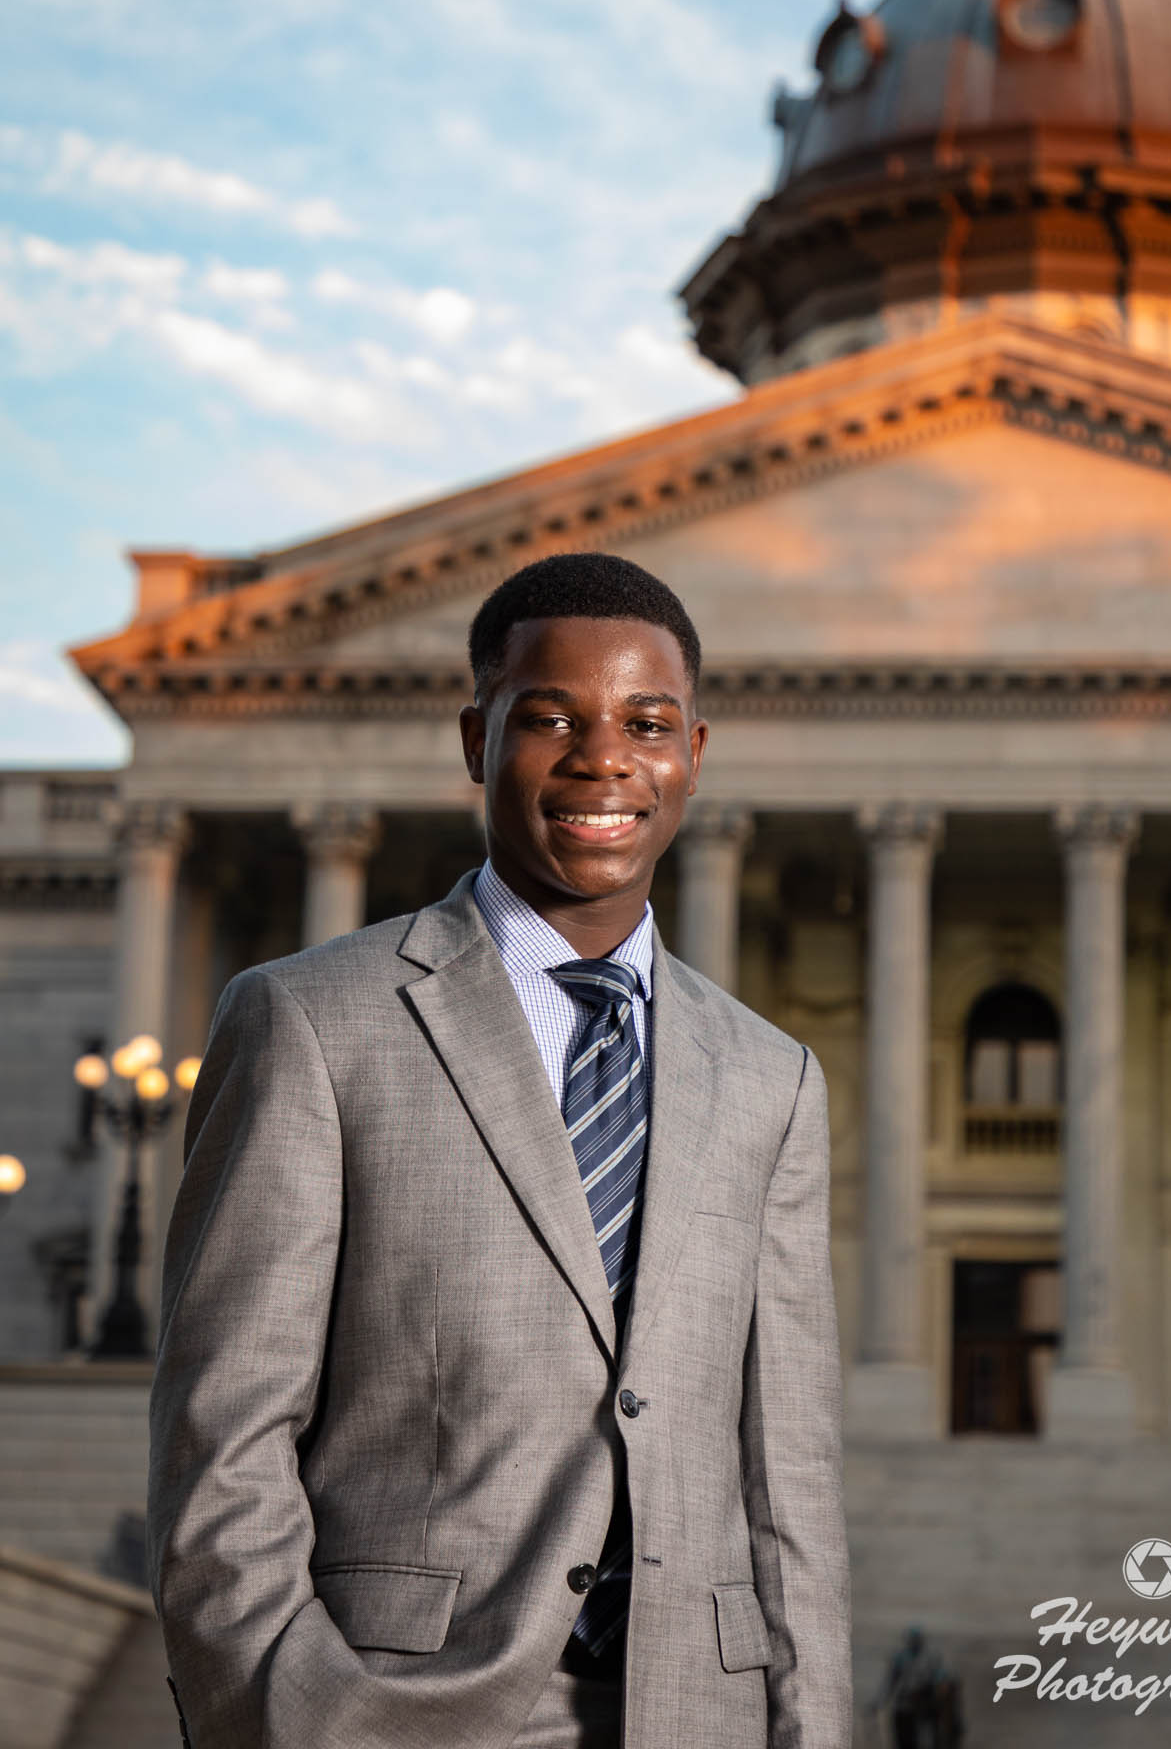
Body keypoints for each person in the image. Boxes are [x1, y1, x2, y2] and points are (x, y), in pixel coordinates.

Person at [148, 551, 851, 1749]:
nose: (603, 758)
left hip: (693, 1709)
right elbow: (223, 1427)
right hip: (398, 1710)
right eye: (549, 717)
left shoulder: (769, 1072)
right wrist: (291, 1711)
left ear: (693, 753)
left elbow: (789, 1469)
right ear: (477, 740)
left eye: (646, 722)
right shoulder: (314, 1017)